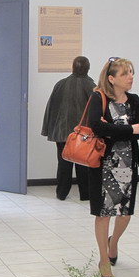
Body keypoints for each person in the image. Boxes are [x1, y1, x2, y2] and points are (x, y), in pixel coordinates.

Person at [86, 58, 139, 277]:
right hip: (104, 164)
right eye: (125, 73)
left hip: (127, 164)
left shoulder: (134, 101)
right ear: (111, 79)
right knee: (103, 213)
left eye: (131, 72)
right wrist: (129, 129)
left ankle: (114, 243)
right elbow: (96, 127)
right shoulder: (98, 97)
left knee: (125, 212)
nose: (130, 77)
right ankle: (104, 260)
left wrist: (114, 129)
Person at [41, 56, 95, 201]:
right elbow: (95, 112)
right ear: (88, 68)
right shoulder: (91, 86)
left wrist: (47, 129)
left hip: (61, 132)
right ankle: (85, 194)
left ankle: (61, 193)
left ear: (72, 67)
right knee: (83, 163)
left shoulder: (60, 84)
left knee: (63, 163)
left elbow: (50, 108)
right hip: (83, 134)